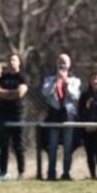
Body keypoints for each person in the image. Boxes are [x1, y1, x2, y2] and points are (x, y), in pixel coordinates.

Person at [40, 53, 82, 181]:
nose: (62, 64)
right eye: (60, 61)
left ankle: (66, 173)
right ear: (56, 63)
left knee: (68, 147)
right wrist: (55, 81)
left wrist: (66, 83)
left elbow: (76, 96)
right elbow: (45, 93)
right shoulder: (49, 79)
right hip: (54, 114)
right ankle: (51, 173)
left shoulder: (75, 80)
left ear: (69, 65)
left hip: (68, 115)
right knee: (52, 146)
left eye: (64, 62)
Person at [0, 53, 29, 181]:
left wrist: (5, 94)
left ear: (19, 62)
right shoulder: (3, 78)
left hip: (18, 114)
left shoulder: (23, 77)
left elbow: (20, 93)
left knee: (19, 145)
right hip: (3, 115)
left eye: (13, 60)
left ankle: (21, 172)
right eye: (9, 60)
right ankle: (3, 172)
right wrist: (10, 94)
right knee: (3, 145)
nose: (11, 62)